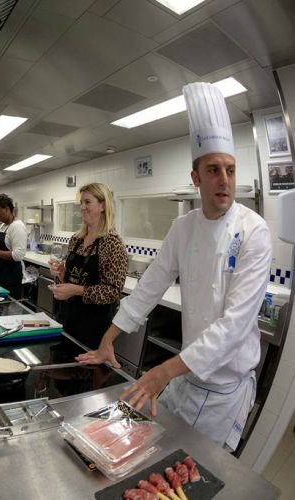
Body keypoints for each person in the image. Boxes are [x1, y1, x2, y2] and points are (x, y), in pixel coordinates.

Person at [78, 82, 272, 451]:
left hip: (223, 390)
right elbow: (150, 285)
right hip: (187, 374)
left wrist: (162, 372)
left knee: (192, 468)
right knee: (148, 449)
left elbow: (233, 327)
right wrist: (108, 339)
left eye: (230, 170)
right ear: (195, 178)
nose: (225, 180)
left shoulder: (254, 231)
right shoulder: (184, 227)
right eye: (213, 170)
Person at [48, 183, 128, 350]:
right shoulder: (76, 239)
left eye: (87, 202)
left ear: (103, 206)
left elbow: (113, 292)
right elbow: (72, 279)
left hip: (93, 328)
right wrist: (62, 274)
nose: (82, 207)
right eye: (81, 203)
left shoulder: (112, 243)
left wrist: (76, 290)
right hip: (67, 318)